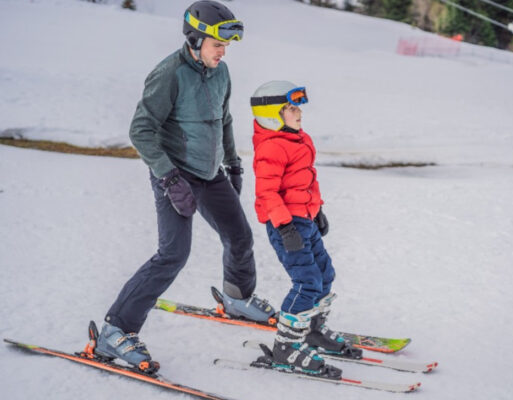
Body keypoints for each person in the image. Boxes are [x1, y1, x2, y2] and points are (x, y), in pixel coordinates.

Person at [94, 1, 275, 371]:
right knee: (173, 254)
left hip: (210, 173)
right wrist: (168, 175)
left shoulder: (221, 72)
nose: (224, 52)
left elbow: (223, 119)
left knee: (239, 237)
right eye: (217, 44)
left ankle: (237, 298)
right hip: (174, 174)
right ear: (194, 38)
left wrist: (233, 162)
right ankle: (115, 331)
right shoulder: (169, 73)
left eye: (226, 46)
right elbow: (140, 130)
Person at [250, 81, 362, 376]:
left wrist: (318, 208)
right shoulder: (271, 147)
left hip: (306, 219)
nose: (298, 112)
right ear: (273, 114)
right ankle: (285, 348)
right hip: (285, 224)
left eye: (298, 106)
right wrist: (285, 227)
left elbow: (307, 181)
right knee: (306, 283)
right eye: (290, 108)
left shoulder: (301, 139)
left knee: (325, 274)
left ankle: (313, 331)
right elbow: (267, 192)